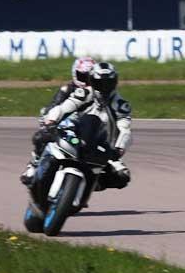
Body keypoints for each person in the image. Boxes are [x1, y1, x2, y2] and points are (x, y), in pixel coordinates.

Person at [33, 62, 132, 191]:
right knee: (42, 136)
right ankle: (34, 166)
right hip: (74, 132)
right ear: (92, 81)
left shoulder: (120, 105)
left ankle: (88, 185)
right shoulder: (84, 93)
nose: (104, 87)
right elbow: (64, 107)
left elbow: (125, 129)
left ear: (115, 82)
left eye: (108, 83)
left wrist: (119, 148)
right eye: (99, 83)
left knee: (122, 176)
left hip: (101, 146)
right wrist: (51, 121)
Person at [20, 57, 96, 185]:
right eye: (83, 76)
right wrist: (48, 119)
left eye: (89, 77)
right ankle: (33, 165)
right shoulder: (67, 89)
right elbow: (54, 106)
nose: (86, 80)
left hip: (85, 129)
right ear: (75, 74)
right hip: (64, 125)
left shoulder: (96, 93)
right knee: (41, 136)